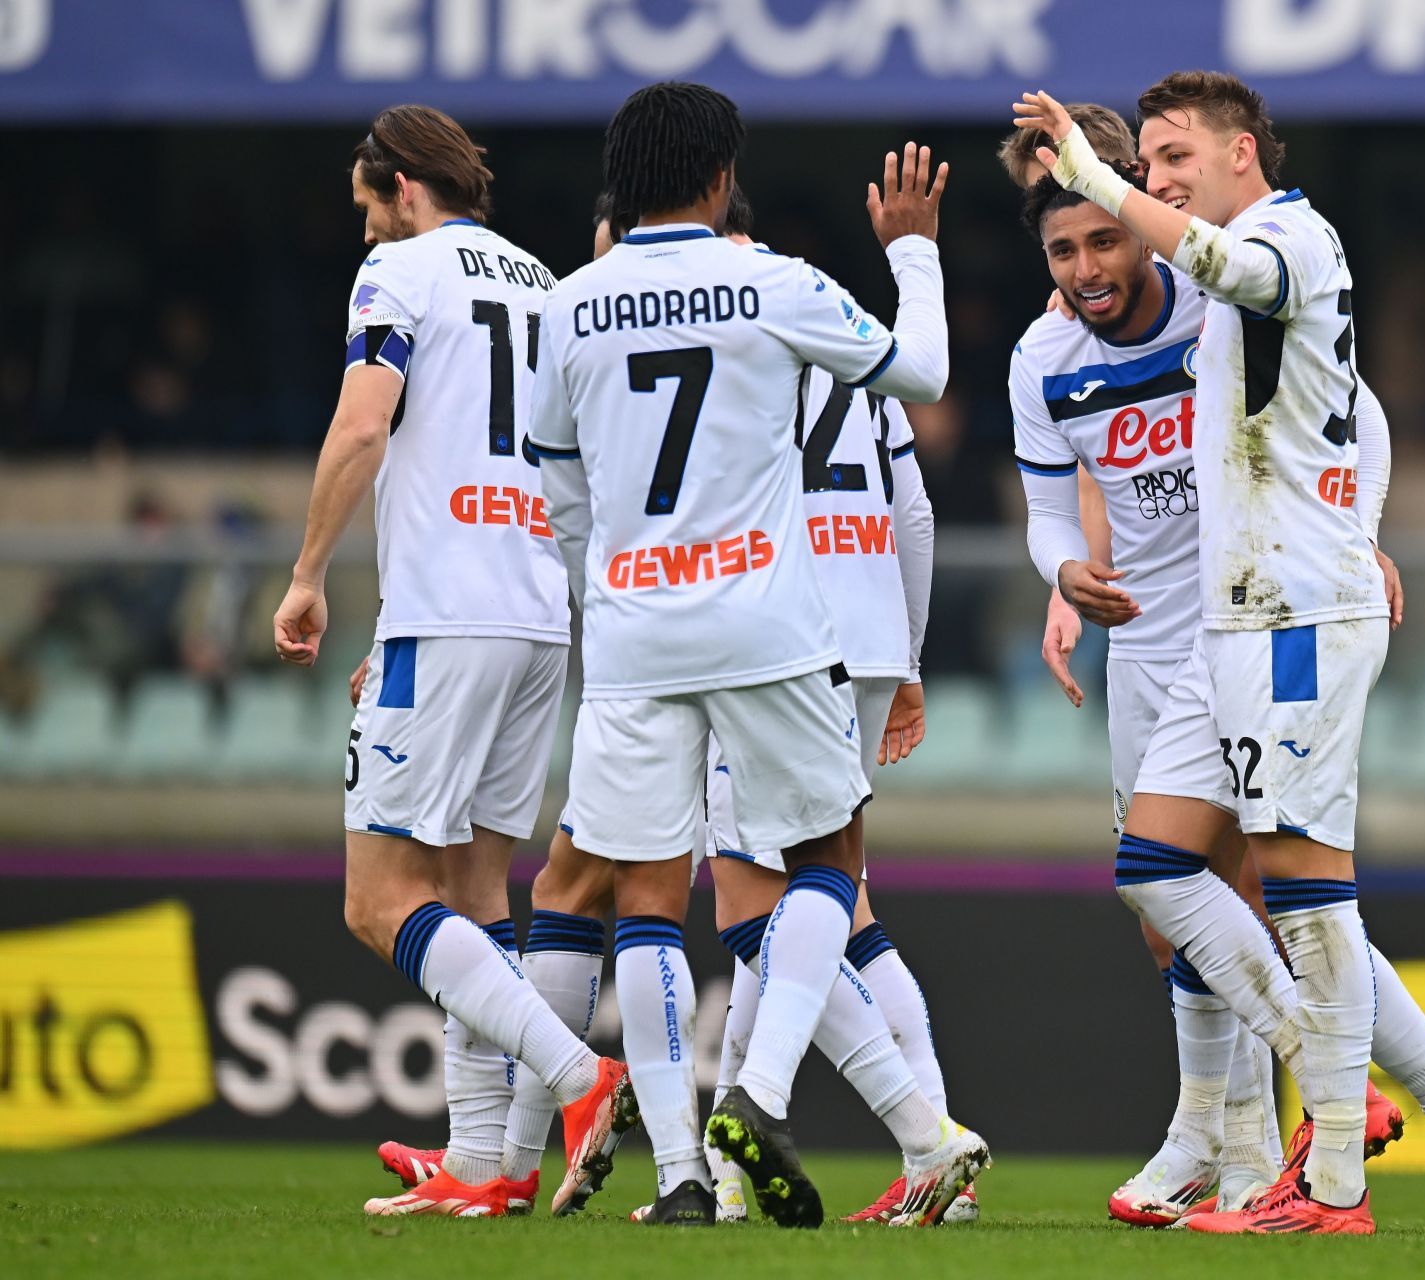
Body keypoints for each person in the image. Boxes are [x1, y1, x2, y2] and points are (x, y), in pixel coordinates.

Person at [1016, 74, 1425, 1235]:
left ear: (1244, 152)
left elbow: (1291, 335)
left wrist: (1359, 527)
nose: (1159, 178)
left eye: (1173, 156)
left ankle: (1326, 1172)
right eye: (1145, 161)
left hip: (1292, 606)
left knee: (1297, 886)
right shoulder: (1074, 344)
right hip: (1214, 621)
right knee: (1156, 865)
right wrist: (1062, 574)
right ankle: (1408, 1098)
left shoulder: (1291, 239)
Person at [523, 81, 984, 1230]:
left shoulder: (567, 307)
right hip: (766, 626)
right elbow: (920, 378)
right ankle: (760, 1099)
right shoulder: (772, 282)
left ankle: (682, 1174)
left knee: (644, 895)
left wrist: (618, 579)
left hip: (631, 633)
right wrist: (915, 254)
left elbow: (557, 486)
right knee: (829, 855)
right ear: (721, 178)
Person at [270, 104, 629, 1221]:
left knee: (380, 901)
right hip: (537, 613)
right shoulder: (544, 279)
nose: (367, 231)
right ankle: (484, 1162)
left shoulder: (401, 275)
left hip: (450, 611)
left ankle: (578, 1075)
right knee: (474, 894)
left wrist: (309, 571)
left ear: (403, 188)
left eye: (370, 206)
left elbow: (363, 427)